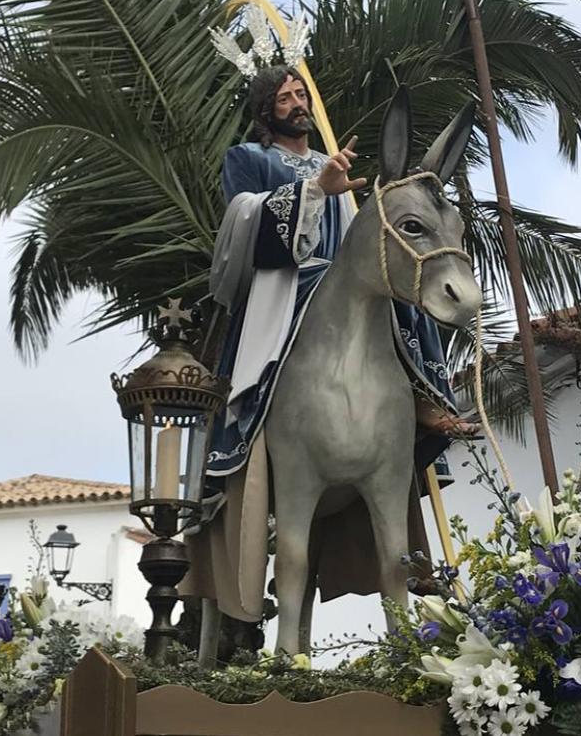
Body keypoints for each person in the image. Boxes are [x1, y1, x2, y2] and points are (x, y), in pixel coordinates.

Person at [183, 66, 470, 626]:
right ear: (266, 110)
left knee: (403, 280)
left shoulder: (332, 159)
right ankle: (235, 432)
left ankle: (426, 393)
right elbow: (242, 218)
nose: (297, 103)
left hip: (346, 276)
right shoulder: (249, 158)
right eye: (284, 97)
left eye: (300, 94)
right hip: (287, 282)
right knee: (255, 347)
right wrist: (316, 189)